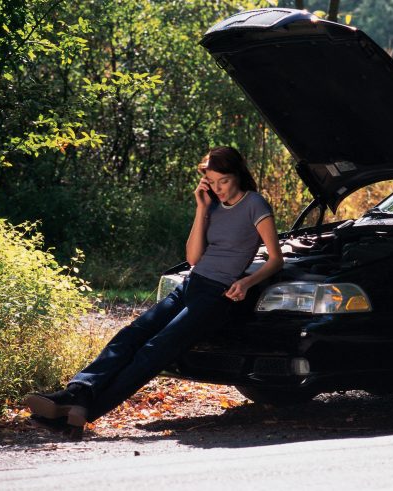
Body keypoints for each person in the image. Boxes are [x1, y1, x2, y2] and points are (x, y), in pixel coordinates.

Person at [24, 146, 284, 433]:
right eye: (212, 182)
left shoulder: (255, 204)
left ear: (237, 174)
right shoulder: (211, 206)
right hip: (191, 284)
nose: (218, 189)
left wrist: (246, 282)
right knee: (130, 335)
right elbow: (194, 258)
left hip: (216, 296)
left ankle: (80, 415)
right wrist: (201, 209)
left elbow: (275, 259)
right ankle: (78, 392)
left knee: (155, 350)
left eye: (223, 181)